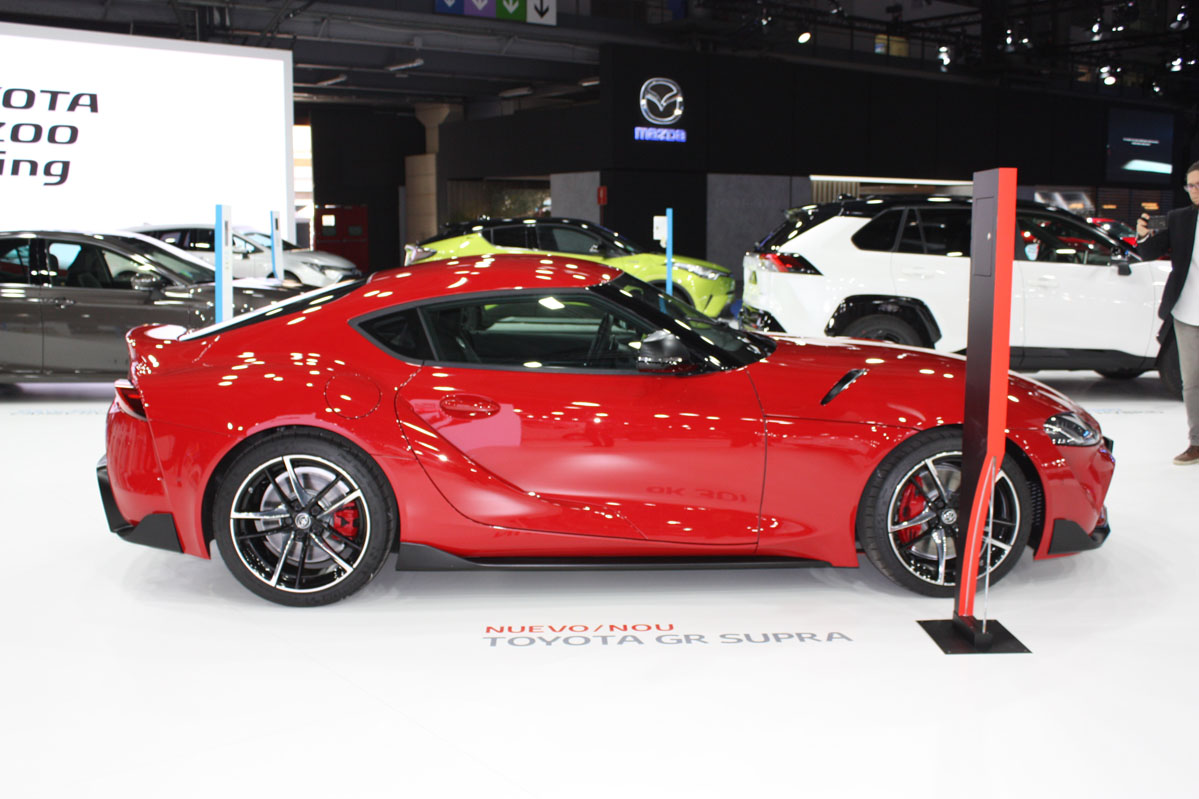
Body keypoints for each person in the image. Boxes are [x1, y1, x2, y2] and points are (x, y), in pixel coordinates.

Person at [1137, 160, 1199, 465]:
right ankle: (1197, 442)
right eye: (1191, 185)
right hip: (1187, 312)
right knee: (1193, 383)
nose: (1195, 190)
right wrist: (1142, 235)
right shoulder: (1179, 218)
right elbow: (1149, 252)